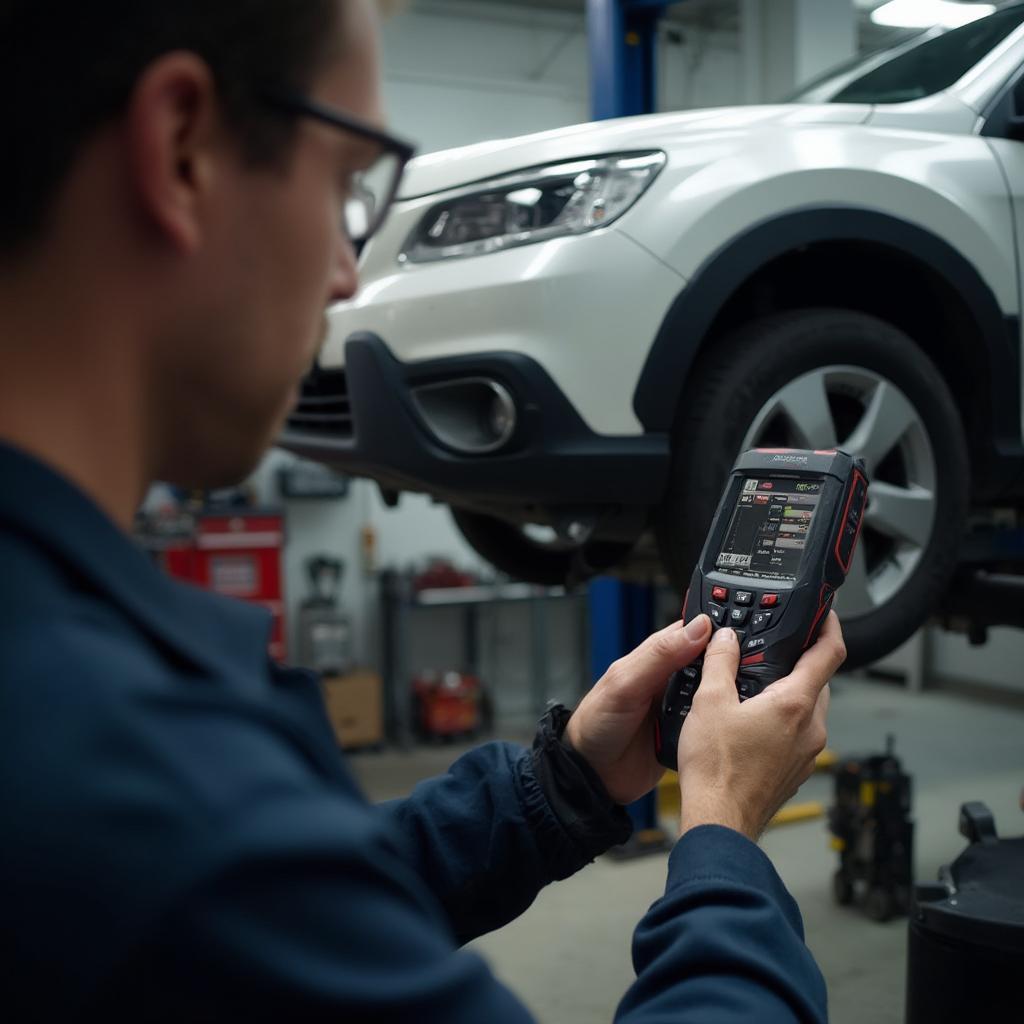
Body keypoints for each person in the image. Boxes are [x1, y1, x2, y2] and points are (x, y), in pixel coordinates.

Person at [0, 1, 845, 1020]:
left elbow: (297, 912)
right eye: (346, 184)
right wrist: (723, 836)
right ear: (181, 150)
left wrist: (563, 783)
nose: (349, 269)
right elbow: (227, 879)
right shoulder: (146, 780)